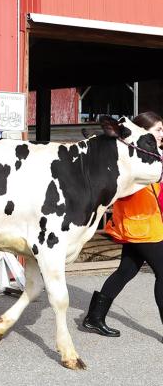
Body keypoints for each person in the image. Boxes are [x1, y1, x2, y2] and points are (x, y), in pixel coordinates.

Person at [82, 111, 163, 338]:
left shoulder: (149, 155)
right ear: (142, 133)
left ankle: (94, 317)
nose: (162, 134)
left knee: (125, 271)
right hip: (141, 226)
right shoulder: (131, 157)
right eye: (158, 129)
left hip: (146, 224)